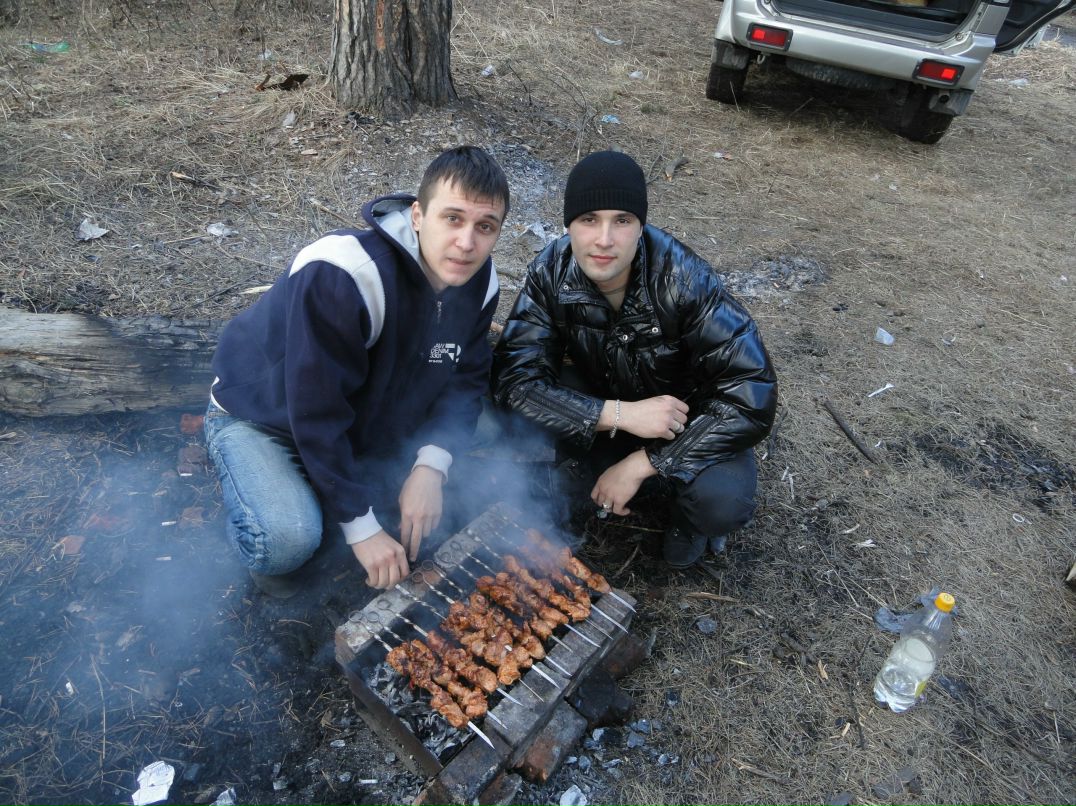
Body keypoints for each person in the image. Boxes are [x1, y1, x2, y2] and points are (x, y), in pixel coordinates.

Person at [205, 146, 510, 595]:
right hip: (266, 418)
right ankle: (261, 505)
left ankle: (336, 487)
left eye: (485, 227)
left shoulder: (479, 283)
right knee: (288, 541)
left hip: (367, 415)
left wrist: (431, 467)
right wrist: (362, 528)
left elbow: (466, 380)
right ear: (418, 215)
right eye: (452, 218)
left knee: (489, 428)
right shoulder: (344, 273)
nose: (467, 244)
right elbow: (315, 412)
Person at [491, 150, 776, 569]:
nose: (604, 239)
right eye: (589, 220)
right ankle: (580, 477)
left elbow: (752, 396)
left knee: (721, 502)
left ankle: (685, 519)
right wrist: (617, 414)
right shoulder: (550, 272)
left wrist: (646, 463)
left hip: (685, 421)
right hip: (610, 410)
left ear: (640, 226)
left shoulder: (684, 280)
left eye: (622, 220)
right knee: (511, 412)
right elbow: (514, 381)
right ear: (569, 224)